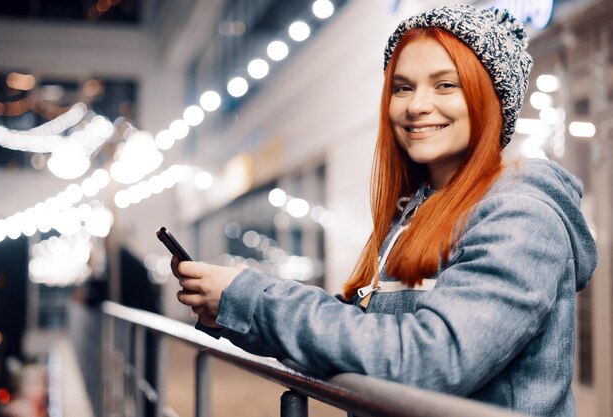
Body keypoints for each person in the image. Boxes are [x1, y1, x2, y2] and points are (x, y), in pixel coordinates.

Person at [171, 4, 598, 416]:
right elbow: (358, 342)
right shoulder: (421, 208)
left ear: (489, 99)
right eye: (403, 86)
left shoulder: (520, 217)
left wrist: (249, 299)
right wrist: (227, 306)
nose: (416, 105)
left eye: (445, 85)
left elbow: (427, 360)